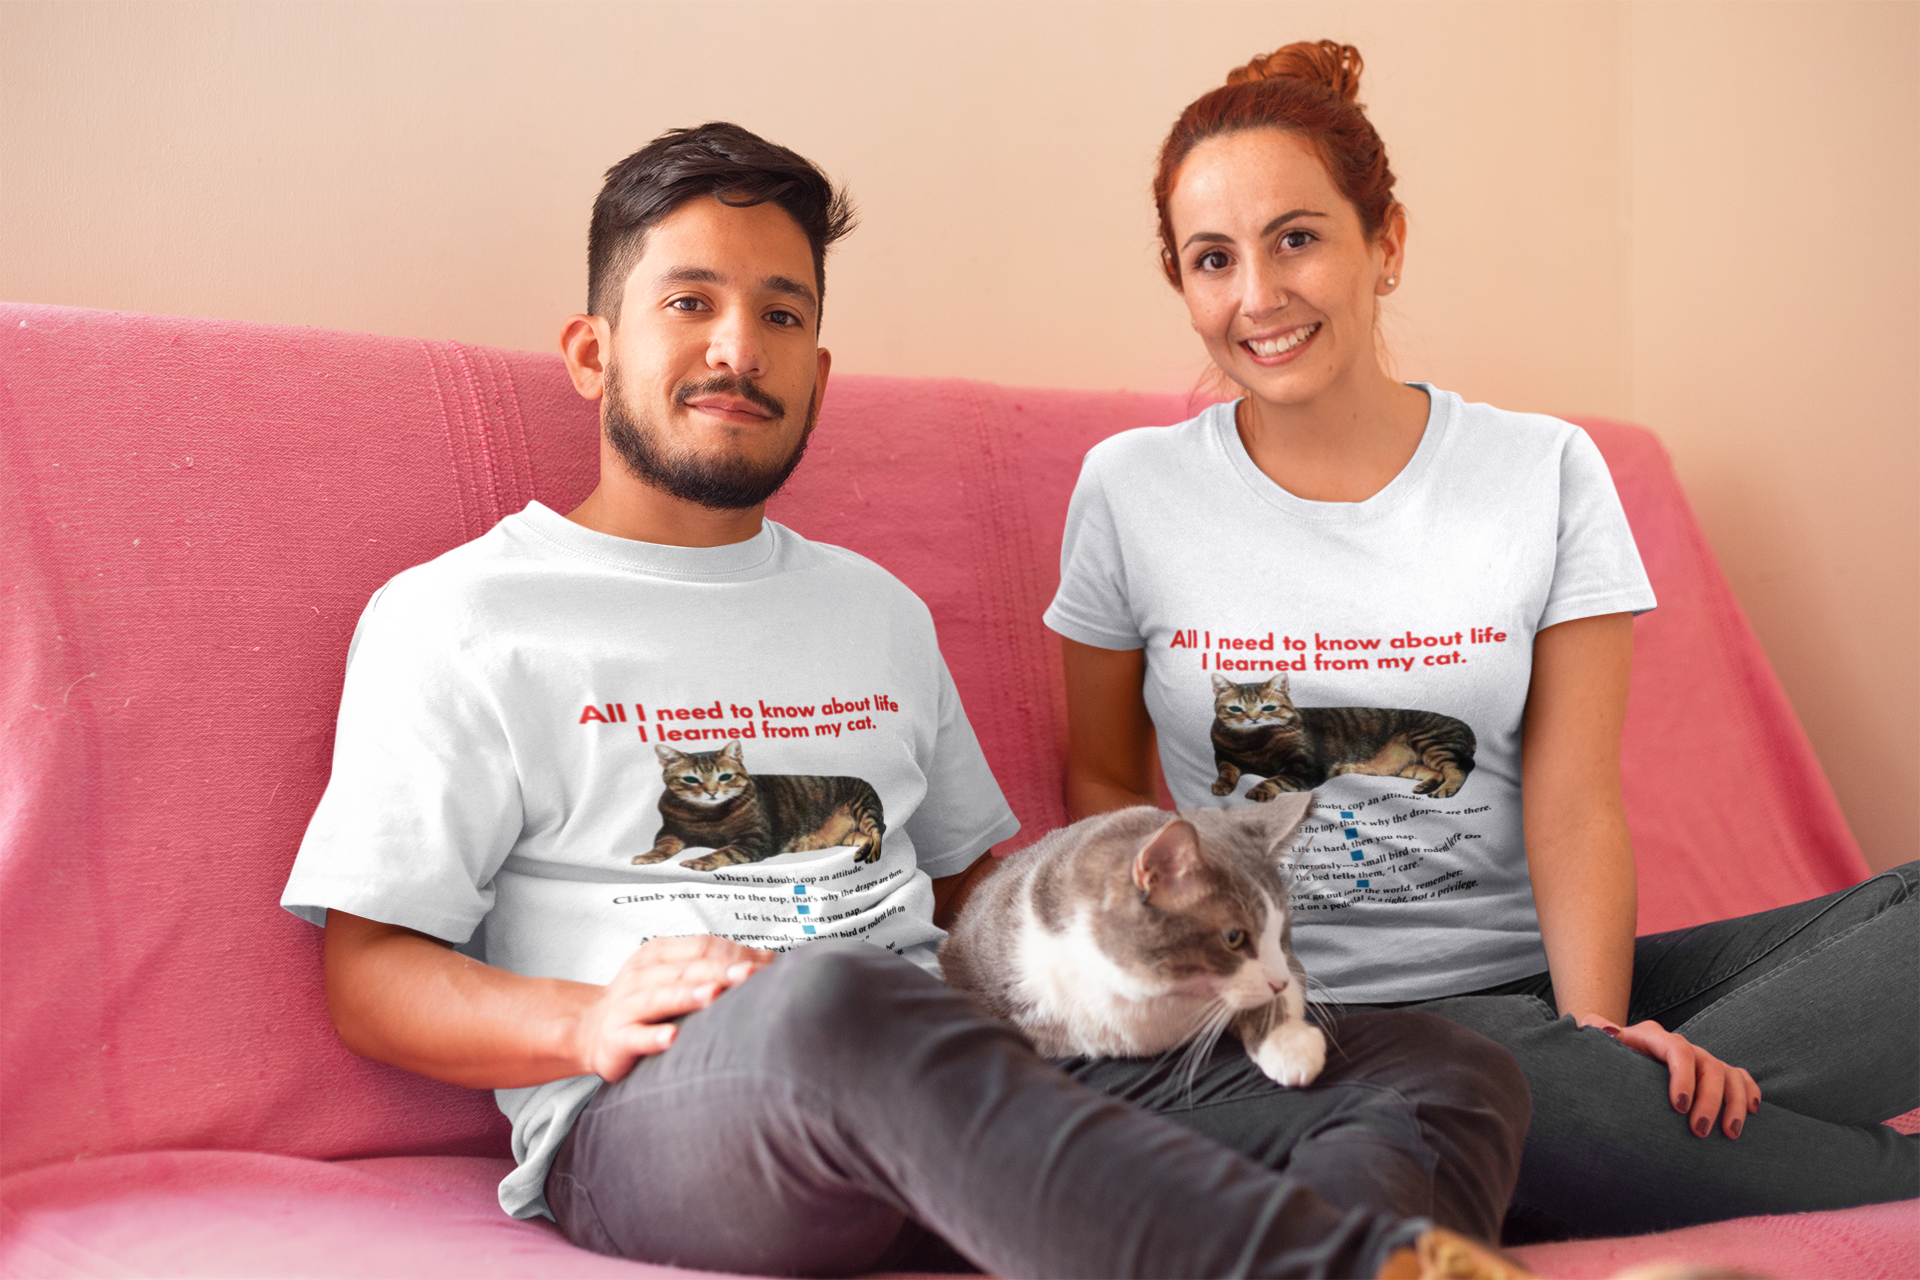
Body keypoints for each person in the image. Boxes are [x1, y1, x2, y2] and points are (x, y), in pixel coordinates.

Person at [280, 121, 1537, 1279]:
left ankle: (1396, 1255)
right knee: (832, 993)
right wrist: (588, 1014)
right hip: (668, 1105)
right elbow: (371, 971)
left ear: (818, 370)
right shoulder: (462, 614)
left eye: (781, 314)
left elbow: (969, 889)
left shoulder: (873, 610)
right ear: (592, 350)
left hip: (960, 1061)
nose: (738, 347)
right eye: (690, 302)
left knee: (1444, 1063)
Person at [1047, 39, 1919, 1242]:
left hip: (1537, 1000)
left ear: (1385, 243)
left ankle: (1581, 1125)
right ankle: (1778, 1155)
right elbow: (1099, 780)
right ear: (1181, 280)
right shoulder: (1128, 491)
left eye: (1297, 237)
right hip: (1292, 1014)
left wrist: (1603, 1035)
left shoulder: (1545, 470)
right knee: (1473, 1069)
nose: (1257, 295)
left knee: (1547, 1061)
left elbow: (1573, 804)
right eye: (1213, 259)